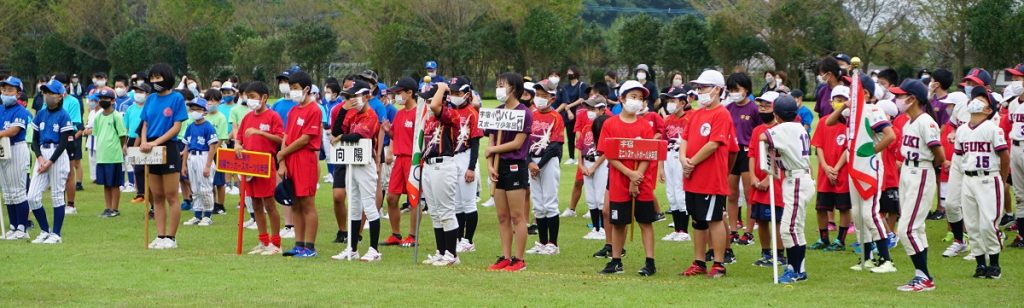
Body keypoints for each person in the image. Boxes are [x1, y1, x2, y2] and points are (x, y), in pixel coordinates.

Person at [823, 66, 897, 273]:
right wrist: (844, 106)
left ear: (864, 93)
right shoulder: (852, 113)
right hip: (854, 170)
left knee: (869, 214)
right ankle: (867, 257)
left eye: (853, 88)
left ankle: (886, 259)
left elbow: (890, 135)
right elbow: (829, 122)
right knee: (857, 214)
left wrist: (871, 151)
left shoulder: (873, 110)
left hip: (869, 169)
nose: (848, 90)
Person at [596, 80, 659, 276]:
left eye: (640, 98)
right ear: (621, 99)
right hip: (619, 181)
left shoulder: (645, 126)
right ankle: (616, 260)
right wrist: (629, 174)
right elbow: (609, 154)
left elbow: (648, 154)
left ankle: (650, 262)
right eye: (633, 97)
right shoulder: (610, 124)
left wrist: (636, 178)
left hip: (642, 183)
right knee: (618, 222)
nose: (637, 102)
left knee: (645, 222)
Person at [887, 79, 944, 291]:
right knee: (916, 228)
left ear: (912, 99)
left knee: (907, 228)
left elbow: (939, 155)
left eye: (901, 96)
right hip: (908, 171)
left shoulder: (925, 121)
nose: (897, 99)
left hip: (920, 171)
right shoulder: (908, 121)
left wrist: (924, 168)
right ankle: (921, 276)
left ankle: (925, 277)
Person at [680, 70, 737, 278]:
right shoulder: (695, 114)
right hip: (692, 178)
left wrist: (692, 162)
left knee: (713, 219)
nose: (699, 92)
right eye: (698, 88)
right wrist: (684, 159)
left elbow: (714, 144)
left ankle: (719, 263)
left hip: (710, 178)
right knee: (697, 221)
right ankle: (699, 261)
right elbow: (684, 140)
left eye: (703, 87)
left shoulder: (721, 114)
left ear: (717, 90)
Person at [761, 94, 814, 284]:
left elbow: (763, 136)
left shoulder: (785, 128)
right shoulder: (798, 126)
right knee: (796, 228)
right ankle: (797, 268)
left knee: (788, 228)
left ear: (777, 114)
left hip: (797, 178)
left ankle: (796, 270)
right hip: (798, 177)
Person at [957, 87, 1008, 279]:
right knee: (972, 224)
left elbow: (1004, 156)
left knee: (988, 223)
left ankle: (994, 264)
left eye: (982, 100)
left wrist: (1002, 180)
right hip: (968, 178)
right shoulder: (962, 130)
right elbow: (960, 157)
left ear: (989, 110)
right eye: (975, 98)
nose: (976, 101)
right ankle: (980, 263)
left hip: (988, 177)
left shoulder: (993, 129)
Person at [329, 80, 381, 262]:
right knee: (354, 206)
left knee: (369, 206)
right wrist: (343, 109)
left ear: (366, 96)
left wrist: (342, 137)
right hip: (352, 164)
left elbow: (357, 136)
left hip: (365, 165)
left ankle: (374, 250)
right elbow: (335, 131)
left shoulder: (371, 116)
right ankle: (352, 248)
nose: (352, 100)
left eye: (355, 96)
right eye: (349, 97)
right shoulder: (351, 115)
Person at [942, 68, 992, 258]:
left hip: (979, 162)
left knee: (977, 207)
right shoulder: (961, 105)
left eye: (974, 83)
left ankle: (979, 244)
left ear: (985, 87)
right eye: (968, 83)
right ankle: (959, 241)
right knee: (951, 205)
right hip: (958, 158)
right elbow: (953, 126)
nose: (969, 87)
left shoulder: (990, 107)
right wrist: (953, 133)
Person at [485, 73, 532, 272]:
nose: (499, 88)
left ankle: (519, 259)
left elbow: (517, 143)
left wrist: (493, 150)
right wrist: (490, 165)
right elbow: (491, 140)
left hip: (515, 167)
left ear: (513, 88)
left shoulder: (524, 113)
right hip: (499, 168)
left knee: (517, 216)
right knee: (502, 216)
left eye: (502, 85)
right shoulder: (497, 112)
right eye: (497, 85)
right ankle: (505, 256)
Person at [138, 64, 188, 249]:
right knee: (156, 196)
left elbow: (176, 126)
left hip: (168, 146)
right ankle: (160, 236)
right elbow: (145, 123)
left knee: (171, 195)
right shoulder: (150, 99)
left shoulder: (176, 98)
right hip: (149, 148)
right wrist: (145, 141)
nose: (154, 82)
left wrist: (155, 143)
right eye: (152, 78)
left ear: (166, 78)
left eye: (158, 78)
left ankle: (171, 237)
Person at [277, 71, 323, 258]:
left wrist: (283, 153)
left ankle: (310, 247)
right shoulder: (293, 111)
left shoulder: (314, 110)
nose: (293, 92)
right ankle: (299, 243)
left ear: (306, 89)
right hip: (290, 159)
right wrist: (282, 160)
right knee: (294, 202)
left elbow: (305, 139)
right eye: (291, 88)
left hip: (305, 159)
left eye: (296, 88)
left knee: (307, 203)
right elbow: (286, 136)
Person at [238, 82, 285, 256]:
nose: (250, 101)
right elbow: (239, 138)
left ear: (264, 98)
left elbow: (281, 140)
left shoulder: (273, 117)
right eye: (247, 97)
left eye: (253, 97)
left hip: (266, 165)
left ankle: (276, 242)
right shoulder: (247, 118)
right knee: (255, 204)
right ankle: (263, 240)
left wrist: (260, 133)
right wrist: (237, 146)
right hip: (249, 168)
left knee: (269, 204)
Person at [27, 79, 75, 244]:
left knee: (56, 195)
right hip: (42, 153)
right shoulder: (40, 113)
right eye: (45, 92)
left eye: (51, 93)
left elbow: (64, 142)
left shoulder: (63, 115)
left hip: (57, 156)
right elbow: (34, 140)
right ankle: (44, 230)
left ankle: (56, 234)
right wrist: (40, 158)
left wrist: (50, 161)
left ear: (60, 96)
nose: (47, 96)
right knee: (32, 196)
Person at [809, 85, 853, 252]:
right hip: (824, 172)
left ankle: (840, 240)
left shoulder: (850, 125)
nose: (841, 103)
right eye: (838, 100)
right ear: (831, 101)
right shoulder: (823, 122)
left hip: (842, 172)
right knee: (821, 207)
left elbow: (848, 149)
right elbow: (818, 146)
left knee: (843, 207)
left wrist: (835, 168)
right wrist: (826, 167)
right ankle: (824, 238)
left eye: (844, 100)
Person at [525, 80, 564, 256]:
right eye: (538, 95)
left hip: (547, 162)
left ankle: (553, 243)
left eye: (544, 95)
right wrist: (529, 163)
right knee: (538, 204)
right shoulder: (531, 114)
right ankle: (541, 241)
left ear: (552, 98)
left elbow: (555, 145)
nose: (540, 98)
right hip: (532, 161)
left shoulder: (556, 117)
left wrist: (538, 165)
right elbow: (523, 141)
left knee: (550, 202)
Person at [747, 91, 785, 267]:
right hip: (758, 183)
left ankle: (780, 254)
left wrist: (768, 180)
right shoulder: (757, 130)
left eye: (767, 106)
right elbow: (752, 155)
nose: (762, 110)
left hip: (776, 184)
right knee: (761, 219)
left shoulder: (782, 130)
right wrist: (754, 178)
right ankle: (766, 252)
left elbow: (781, 158)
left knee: (777, 220)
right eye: (760, 106)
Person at [447, 76, 483, 253]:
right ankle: (459, 237)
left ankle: (469, 240)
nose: (454, 96)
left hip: (467, 156)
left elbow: (475, 142)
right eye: (452, 92)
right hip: (453, 157)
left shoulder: (472, 113)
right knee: (457, 204)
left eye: (457, 93)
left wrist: (471, 167)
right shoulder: (451, 112)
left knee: (468, 203)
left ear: (467, 94)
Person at [725, 72, 760, 248]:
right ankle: (732, 230)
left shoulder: (754, 109)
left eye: (736, 89)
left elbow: (760, 132)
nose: (734, 93)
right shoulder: (728, 109)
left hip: (748, 153)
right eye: (730, 90)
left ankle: (749, 231)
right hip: (732, 153)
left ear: (746, 89)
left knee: (749, 194)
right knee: (731, 194)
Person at [0, 76, 33, 240]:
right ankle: (13, 226)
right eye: (4, 89)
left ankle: (22, 226)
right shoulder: (0, 109)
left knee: (18, 191)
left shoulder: (21, 110)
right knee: (7, 192)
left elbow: (13, 131)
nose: (6, 92)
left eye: (10, 90)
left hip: (16, 149)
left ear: (18, 93)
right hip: (3, 150)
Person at [659, 87, 692, 242]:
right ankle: (677, 228)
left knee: (680, 193)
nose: (670, 104)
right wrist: (660, 167)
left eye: (673, 100)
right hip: (668, 156)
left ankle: (684, 231)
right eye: (668, 101)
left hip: (681, 156)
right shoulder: (668, 120)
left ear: (683, 102)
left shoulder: (690, 119)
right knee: (671, 193)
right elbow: (663, 143)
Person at [180, 101, 219, 226]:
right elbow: (186, 146)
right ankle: (197, 215)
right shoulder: (190, 126)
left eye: (198, 109)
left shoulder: (208, 126)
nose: (194, 112)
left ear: (204, 111)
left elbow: (212, 147)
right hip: (192, 156)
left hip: (204, 156)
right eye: (192, 109)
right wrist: (184, 165)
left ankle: (207, 216)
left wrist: (208, 166)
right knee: (195, 188)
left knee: (205, 188)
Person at [91, 88, 128, 218]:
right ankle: (107, 207)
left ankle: (115, 208)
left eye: (105, 99)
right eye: (100, 99)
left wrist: (121, 146)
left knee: (114, 184)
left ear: (112, 101)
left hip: (114, 155)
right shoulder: (98, 116)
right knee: (106, 184)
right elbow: (96, 133)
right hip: (102, 155)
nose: (102, 101)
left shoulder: (117, 116)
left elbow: (122, 135)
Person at [877, 99, 903, 250]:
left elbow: (889, 143)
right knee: (879, 209)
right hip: (880, 176)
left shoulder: (894, 132)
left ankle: (890, 234)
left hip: (890, 176)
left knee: (892, 209)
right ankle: (886, 234)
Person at [1003, 63, 1024, 247]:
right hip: (1015, 148)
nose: (1015, 80)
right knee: (1019, 194)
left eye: (1019, 77)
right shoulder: (1013, 104)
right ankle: (1022, 235)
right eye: (1014, 77)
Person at [556, 66, 587, 165]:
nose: (569, 74)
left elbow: (581, 99)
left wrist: (569, 106)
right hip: (568, 114)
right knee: (570, 136)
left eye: (571, 72)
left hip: (579, 113)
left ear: (575, 73)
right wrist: (568, 110)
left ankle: (580, 156)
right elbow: (564, 100)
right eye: (568, 72)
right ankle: (571, 157)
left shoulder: (582, 85)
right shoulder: (565, 87)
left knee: (580, 136)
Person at [125, 83, 150, 203]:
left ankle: (147, 193)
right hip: (132, 138)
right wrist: (125, 144)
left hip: (145, 141)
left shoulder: (149, 109)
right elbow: (126, 128)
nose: (138, 94)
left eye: (141, 92)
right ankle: (140, 192)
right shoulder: (130, 108)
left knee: (145, 168)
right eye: (136, 92)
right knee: (136, 168)